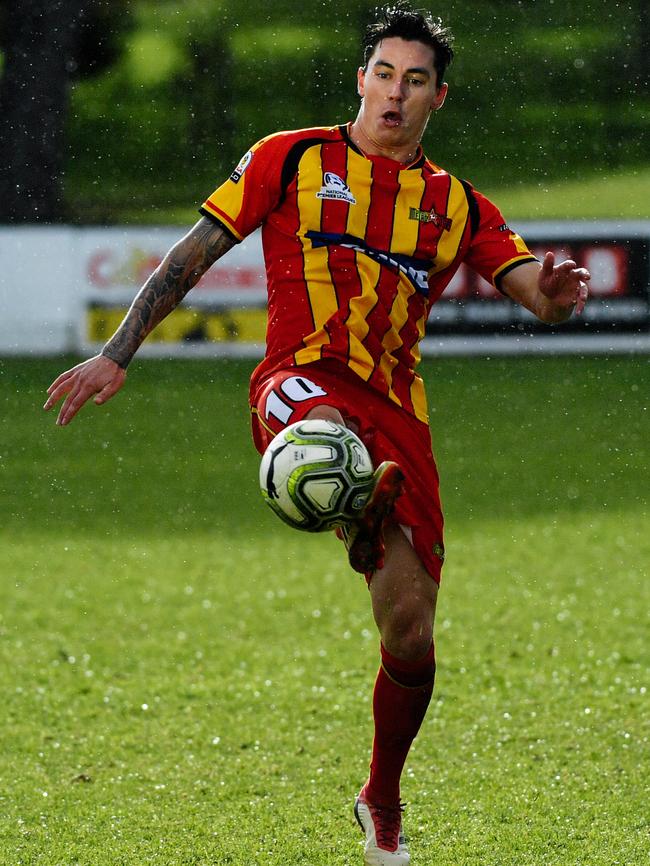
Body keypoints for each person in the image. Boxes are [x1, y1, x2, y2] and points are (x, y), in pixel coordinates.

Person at [44, 5, 590, 864]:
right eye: (383, 73)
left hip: (398, 411)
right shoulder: (290, 157)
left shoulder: (454, 203)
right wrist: (117, 353)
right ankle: (348, 500)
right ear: (361, 79)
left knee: (410, 632)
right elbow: (191, 254)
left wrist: (556, 291)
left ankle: (381, 796)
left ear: (437, 99)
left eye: (415, 82)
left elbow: (536, 293)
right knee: (319, 439)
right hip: (300, 380)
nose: (395, 95)